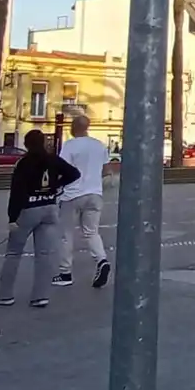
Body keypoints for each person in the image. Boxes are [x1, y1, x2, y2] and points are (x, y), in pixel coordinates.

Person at [0, 129, 79, 308]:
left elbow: (17, 191)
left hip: (28, 209)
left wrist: (12, 218)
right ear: (44, 143)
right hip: (50, 209)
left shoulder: (24, 163)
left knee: (14, 253)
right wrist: (56, 186)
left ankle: (4, 295)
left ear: (26, 144)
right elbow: (74, 173)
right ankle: (40, 296)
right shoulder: (53, 159)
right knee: (44, 255)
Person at [53, 115, 111, 289]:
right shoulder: (99, 145)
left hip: (71, 195)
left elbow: (61, 169)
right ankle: (102, 261)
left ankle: (65, 273)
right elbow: (107, 171)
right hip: (95, 194)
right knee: (92, 232)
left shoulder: (70, 145)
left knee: (66, 235)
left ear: (73, 127)